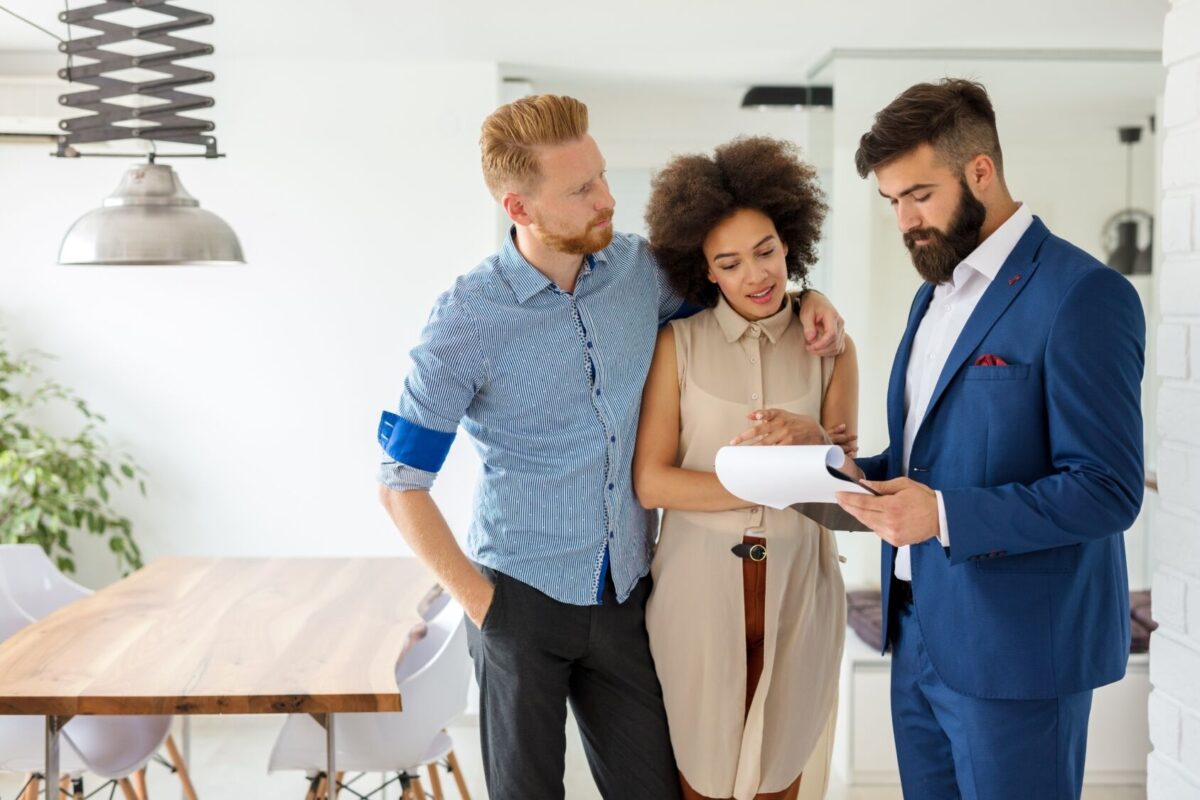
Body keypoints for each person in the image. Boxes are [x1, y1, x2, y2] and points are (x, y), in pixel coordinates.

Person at [376, 94, 845, 800]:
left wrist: (809, 298)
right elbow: (399, 480)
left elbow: (743, 292)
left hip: (627, 595)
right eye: (582, 188)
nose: (608, 197)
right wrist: (484, 607)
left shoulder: (639, 273)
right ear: (520, 209)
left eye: (599, 175)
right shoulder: (466, 320)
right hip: (520, 602)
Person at [835, 79, 1145, 800]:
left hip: (1020, 657)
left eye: (919, 194)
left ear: (981, 170)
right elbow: (925, 462)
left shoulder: (1082, 295)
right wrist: (830, 469)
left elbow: (1106, 489)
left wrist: (942, 516)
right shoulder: (932, 295)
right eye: (892, 204)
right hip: (917, 639)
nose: (906, 220)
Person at [633, 136, 857, 800]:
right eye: (729, 263)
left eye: (765, 251)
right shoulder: (676, 345)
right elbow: (652, 481)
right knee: (698, 783)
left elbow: (846, 489)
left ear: (789, 241)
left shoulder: (832, 348)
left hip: (804, 589)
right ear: (706, 271)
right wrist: (758, 483)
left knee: (779, 781)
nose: (756, 275)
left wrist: (816, 438)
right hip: (695, 597)